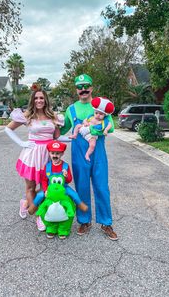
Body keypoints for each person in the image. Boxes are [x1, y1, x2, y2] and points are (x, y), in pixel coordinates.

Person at [60, 74, 118, 241]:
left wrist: (92, 130)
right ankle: (84, 221)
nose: (83, 90)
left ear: (91, 88)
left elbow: (111, 127)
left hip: (98, 154)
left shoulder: (101, 106)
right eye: (80, 87)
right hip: (79, 156)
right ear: (76, 90)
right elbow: (63, 130)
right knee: (82, 187)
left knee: (102, 187)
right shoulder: (71, 109)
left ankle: (106, 223)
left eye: (86, 86)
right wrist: (45, 131)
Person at [4, 83, 63, 230]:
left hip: (48, 155)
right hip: (31, 155)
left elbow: (57, 138)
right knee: (30, 187)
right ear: (33, 100)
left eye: (42, 98)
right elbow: (8, 128)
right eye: (36, 98)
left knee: (48, 187)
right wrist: (22, 143)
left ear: (46, 100)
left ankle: (25, 203)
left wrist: (74, 137)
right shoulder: (27, 115)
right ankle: (38, 216)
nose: (39, 100)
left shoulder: (53, 116)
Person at [28, 140, 88, 215]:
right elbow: (43, 180)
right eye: (52, 153)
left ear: (62, 154)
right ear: (49, 153)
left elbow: (69, 180)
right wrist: (46, 190)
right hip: (50, 188)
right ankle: (33, 207)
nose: (55, 155)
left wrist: (66, 176)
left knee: (73, 194)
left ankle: (80, 204)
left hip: (63, 187)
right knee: (40, 195)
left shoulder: (65, 166)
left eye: (57, 153)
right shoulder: (47, 166)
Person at [69, 97, 114, 161]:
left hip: (91, 136)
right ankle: (75, 135)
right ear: (94, 112)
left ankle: (87, 154)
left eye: (101, 114)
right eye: (96, 113)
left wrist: (106, 130)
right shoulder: (91, 116)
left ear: (105, 115)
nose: (98, 115)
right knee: (78, 125)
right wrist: (85, 123)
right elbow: (85, 120)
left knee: (92, 145)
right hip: (84, 129)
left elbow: (110, 125)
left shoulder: (104, 121)